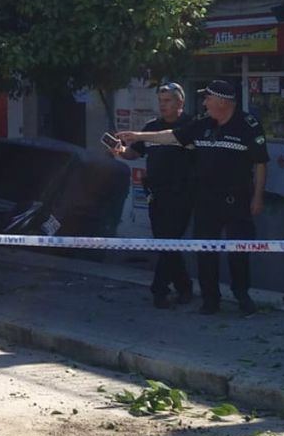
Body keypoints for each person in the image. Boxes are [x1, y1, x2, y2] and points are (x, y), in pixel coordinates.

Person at [119, 79, 267, 317]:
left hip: (237, 199)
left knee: (238, 251)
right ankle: (210, 301)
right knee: (205, 251)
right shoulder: (202, 124)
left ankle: (242, 296)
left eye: (208, 98)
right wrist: (138, 135)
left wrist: (258, 197)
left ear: (222, 101)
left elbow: (261, 163)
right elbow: (172, 136)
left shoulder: (248, 125)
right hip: (206, 198)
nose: (204, 102)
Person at [112, 83, 195, 309]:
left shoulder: (190, 126)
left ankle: (159, 290)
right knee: (166, 244)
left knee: (170, 241)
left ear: (180, 102)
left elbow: (174, 138)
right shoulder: (151, 126)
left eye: (167, 101)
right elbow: (134, 152)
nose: (163, 105)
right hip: (156, 196)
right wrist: (120, 151)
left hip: (181, 195)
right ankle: (185, 287)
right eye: (160, 101)